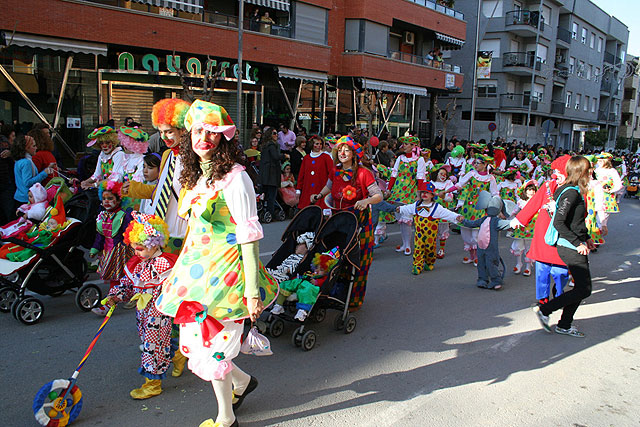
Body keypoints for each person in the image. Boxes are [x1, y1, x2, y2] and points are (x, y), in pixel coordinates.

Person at [154, 100, 278, 427]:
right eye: (197, 131)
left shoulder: (237, 179)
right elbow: (194, 231)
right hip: (196, 275)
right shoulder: (194, 178)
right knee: (198, 344)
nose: (203, 138)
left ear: (223, 137)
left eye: (211, 132)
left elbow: (249, 236)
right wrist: (174, 266)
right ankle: (241, 383)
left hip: (228, 277)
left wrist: (252, 292)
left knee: (215, 349)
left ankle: (226, 419)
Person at [102, 212, 178, 399]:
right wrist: (115, 296)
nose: (137, 252)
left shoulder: (164, 264)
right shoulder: (139, 263)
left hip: (159, 311)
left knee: (152, 345)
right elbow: (128, 284)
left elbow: (173, 287)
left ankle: (152, 384)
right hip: (143, 311)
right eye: (135, 248)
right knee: (153, 341)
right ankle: (178, 356)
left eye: (141, 248)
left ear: (155, 244)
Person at [311, 136, 382, 310]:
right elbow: (328, 187)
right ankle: (334, 293)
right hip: (338, 222)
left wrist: (366, 201)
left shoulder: (364, 173)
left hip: (359, 223)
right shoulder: (335, 171)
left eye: (346, 150)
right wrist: (319, 195)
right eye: (340, 150)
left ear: (354, 154)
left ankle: (354, 300)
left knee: (358, 263)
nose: (342, 153)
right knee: (335, 259)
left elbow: (378, 195)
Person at [533, 156, 595, 338]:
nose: (591, 173)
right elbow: (559, 223)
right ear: (580, 172)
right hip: (570, 247)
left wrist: (587, 238)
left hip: (576, 244)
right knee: (584, 289)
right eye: (588, 170)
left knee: (582, 289)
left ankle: (564, 324)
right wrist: (578, 243)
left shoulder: (574, 190)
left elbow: (575, 222)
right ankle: (545, 310)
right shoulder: (571, 192)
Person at [123, 98, 191, 256]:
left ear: (183, 130)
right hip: (159, 225)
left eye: (169, 132)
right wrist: (135, 189)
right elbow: (163, 189)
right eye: (161, 132)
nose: (164, 137)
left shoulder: (193, 159)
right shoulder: (167, 155)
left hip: (180, 226)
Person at [396, 181, 462, 275]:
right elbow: (408, 208)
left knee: (430, 249)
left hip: (430, 236)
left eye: (427, 192)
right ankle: (417, 265)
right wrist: (401, 209)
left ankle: (430, 262)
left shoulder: (436, 207)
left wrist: (457, 217)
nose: (424, 194)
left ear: (432, 195)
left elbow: (447, 213)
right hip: (419, 234)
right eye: (423, 192)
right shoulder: (416, 205)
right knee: (418, 248)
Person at [90, 181, 134, 315]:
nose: (106, 202)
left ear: (119, 199)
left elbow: (129, 233)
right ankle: (119, 299)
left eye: (110, 198)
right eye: (104, 199)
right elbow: (100, 236)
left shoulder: (123, 216)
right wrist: (95, 248)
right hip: (107, 251)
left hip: (121, 251)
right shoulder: (103, 216)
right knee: (116, 279)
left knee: (121, 278)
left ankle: (110, 305)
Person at [380, 136, 427, 255]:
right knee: (400, 220)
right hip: (397, 193)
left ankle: (407, 246)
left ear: (413, 146)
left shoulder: (419, 160)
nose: (404, 146)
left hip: (410, 193)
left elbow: (420, 178)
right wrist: (388, 190)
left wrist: (419, 195)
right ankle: (404, 244)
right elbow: (393, 175)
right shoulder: (400, 158)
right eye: (404, 144)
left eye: (407, 144)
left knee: (407, 220)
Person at [461, 192, 514, 290]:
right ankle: (482, 279)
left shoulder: (496, 221)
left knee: (491, 263)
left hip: (491, 248)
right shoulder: (484, 219)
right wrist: (463, 221)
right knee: (481, 263)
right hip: (480, 246)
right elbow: (473, 223)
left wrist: (515, 223)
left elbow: (507, 223)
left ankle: (496, 280)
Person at [452, 154, 498, 265]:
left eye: (478, 163)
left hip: (481, 208)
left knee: (476, 234)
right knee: (466, 233)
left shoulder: (490, 178)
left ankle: (478, 256)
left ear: (485, 164)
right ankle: (471, 256)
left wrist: (497, 207)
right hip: (468, 206)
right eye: (474, 163)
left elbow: (495, 193)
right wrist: (446, 191)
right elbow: (459, 184)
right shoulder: (471, 174)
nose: (475, 165)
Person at [274, 247, 339, 321]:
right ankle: (279, 304)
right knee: (285, 284)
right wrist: (296, 279)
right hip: (301, 283)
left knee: (307, 290)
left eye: (321, 270)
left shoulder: (323, 278)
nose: (317, 270)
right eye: (317, 267)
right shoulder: (311, 273)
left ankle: (302, 311)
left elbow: (323, 282)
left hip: (310, 288)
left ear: (327, 271)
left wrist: (316, 282)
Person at [11, 134, 54, 210]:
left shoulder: (19, 161)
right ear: (26, 148)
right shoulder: (26, 162)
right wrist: (45, 173)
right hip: (26, 199)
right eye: (34, 146)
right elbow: (27, 182)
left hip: (20, 196)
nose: (36, 148)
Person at [80, 124, 125, 189]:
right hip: (105, 188)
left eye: (107, 142)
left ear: (113, 142)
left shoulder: (119, 154)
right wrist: (85, 182)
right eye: (101, 143)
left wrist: (94, 185)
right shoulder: (102, 155)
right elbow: (97, 175)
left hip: (116, 190)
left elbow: (115, 178)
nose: (104, 145)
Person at [296, 135, 333, 210]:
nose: (319, 146)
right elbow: (301, 174)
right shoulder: (306, 158)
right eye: (316, 144)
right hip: (308, 189)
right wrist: (298, 189)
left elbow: (331, 173)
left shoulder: (326, 157)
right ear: (312, 145)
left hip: (321, 187)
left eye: (320, 144)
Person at [510, 180, 537, 276]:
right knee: (518, 245)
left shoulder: (538, 203)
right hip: (521, 227)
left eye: (533, 189)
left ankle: (528, 267)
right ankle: (518, 263)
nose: (531, 192)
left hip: (532, 228)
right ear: (525, 191)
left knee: (529, 247)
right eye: (529, 189)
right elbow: (514, 211)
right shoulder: (521, 202)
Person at [259, 126, 286, 219]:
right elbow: (276, 156)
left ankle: (266, 211)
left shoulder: (265, 145)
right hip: (271, 174)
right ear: (270, 135)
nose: (276, 135)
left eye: (277, 133)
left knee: (267, 194)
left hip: (266, 174)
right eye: (274, 133)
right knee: (272, 195)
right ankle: (270, 212)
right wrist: (284, 156)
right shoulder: (272, 145)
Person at [431, 164, 456, 258]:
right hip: (431, 212)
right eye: (441, 173)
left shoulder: (448, 184)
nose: (443, 176)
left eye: (445, 174)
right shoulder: (430, 183)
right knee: (431, 231)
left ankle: (441, 250)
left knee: (443, 231)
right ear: (436, 174)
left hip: (443, 212)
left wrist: (444, 196)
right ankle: (431, 249)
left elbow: (450, 198)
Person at [0, 124, 16, 224]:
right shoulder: (4, 143)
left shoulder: (4, 143)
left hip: (5, 182)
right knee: (8, 212)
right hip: (5, 183)